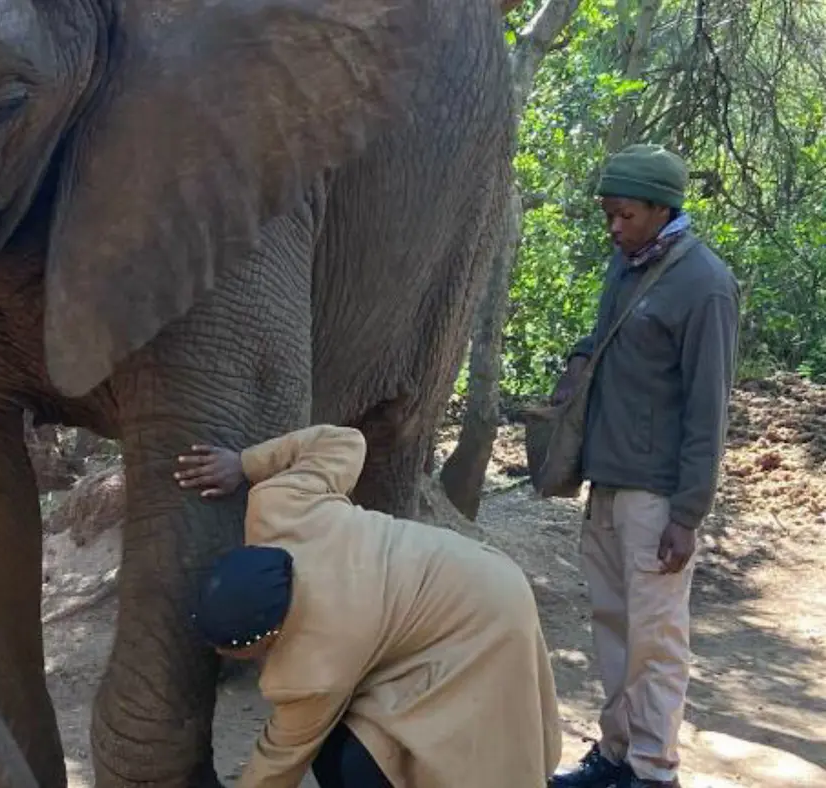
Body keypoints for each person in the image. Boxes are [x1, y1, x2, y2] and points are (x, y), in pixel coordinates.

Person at [176, 424, 562, 788]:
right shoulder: (280, 505)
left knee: (408, 757)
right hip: (450, 576)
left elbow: (278, 759)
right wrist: (244, 464)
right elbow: (342, 441)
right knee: (351, 739)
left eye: (236, 651)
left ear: (272, 635)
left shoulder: (314, 668)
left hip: (485, 612)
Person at [546, 144, 740, 788]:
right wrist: (579, 358)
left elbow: (708, 410)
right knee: (611, 628)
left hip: (656, 499)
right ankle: (615, 754)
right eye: (607, 214)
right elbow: (607, 337)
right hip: (606, 484)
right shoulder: (627, 264)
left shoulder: (705, 285)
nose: (613, 227)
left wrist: (687, 515)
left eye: (624, 214)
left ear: (662, 209)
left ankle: (653, 772)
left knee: (655, 642)